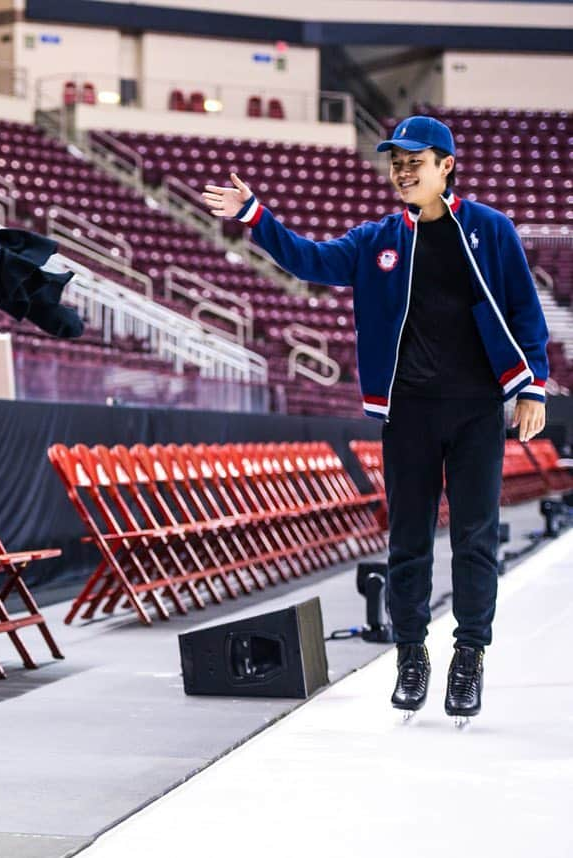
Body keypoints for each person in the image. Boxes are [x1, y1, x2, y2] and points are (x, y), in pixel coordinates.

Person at [203, 115, 548, 723]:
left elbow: (523, 306)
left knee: (475, 538)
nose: (403, 169)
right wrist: (256, 215)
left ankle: (469, 656)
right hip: (407, 412)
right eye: (396, 160)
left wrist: (534, 388)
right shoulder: (377, 239)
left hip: (475, 410)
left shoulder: (490, 230)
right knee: (407, 543)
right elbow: (308, 261)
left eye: (416, 159)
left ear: (447, 166)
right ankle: (411, 656)